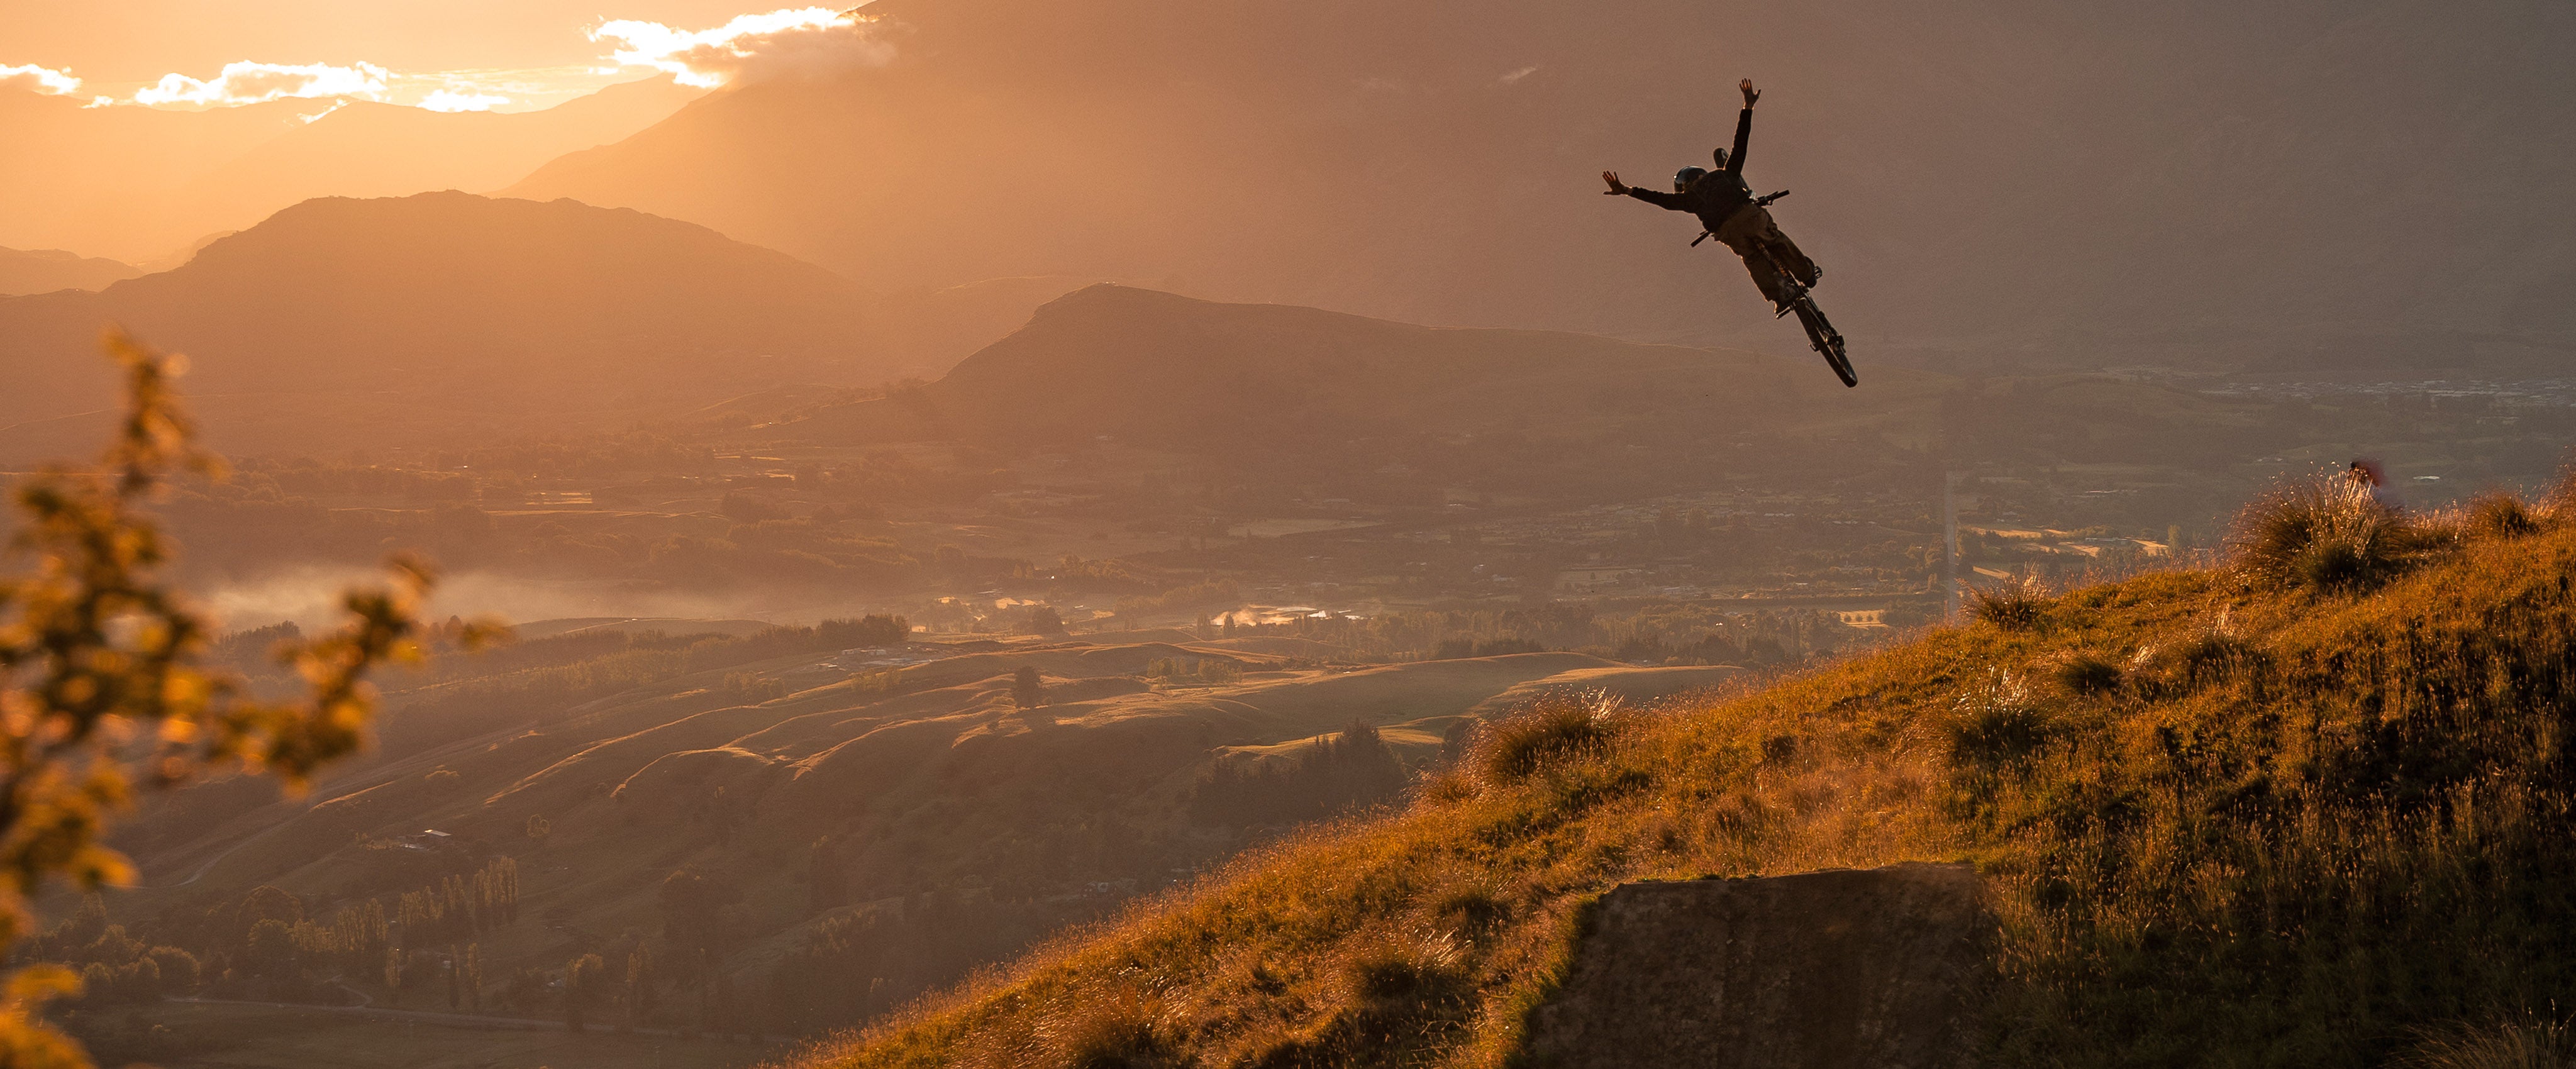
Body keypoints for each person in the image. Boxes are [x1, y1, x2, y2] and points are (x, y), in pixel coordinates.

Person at [1602, 78, 1821, 315]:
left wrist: (1627, 190)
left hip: (1728, 232)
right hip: (1750, 216)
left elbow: (1661, 200)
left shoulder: (1688, 199)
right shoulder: (1725, 174)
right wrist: (1747, 107)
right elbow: (1740, 144)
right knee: (1776, 239)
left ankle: (1779, 297)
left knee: (1751, 258)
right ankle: (1806, 274)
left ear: (1682, 187)